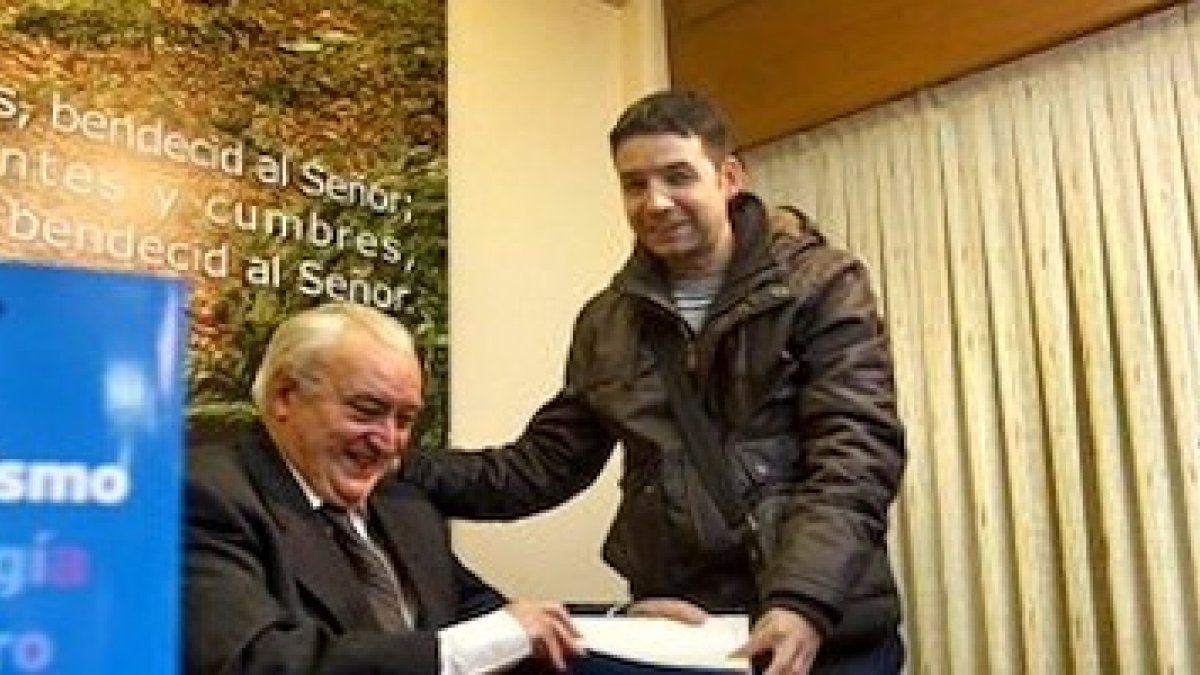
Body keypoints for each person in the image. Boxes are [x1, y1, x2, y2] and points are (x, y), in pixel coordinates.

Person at [404, 89, 906, 674]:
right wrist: (395, 464)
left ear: (729, 177)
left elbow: (856, 454)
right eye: (634, 184)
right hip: (687, 633)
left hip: (825, 632)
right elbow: (540, 468)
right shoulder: (606, 322)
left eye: (678, 177)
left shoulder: (821, 285)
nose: (656, 202)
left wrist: (802, 601)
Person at [185, 302, 582, 674]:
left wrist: (591, 624)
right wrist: (462, 650)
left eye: (405, 419)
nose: (388, 441)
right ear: (285, 396)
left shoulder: (400, 498)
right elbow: (256, 661)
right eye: (367, 411)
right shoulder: (206, 497)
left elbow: (479, 611)